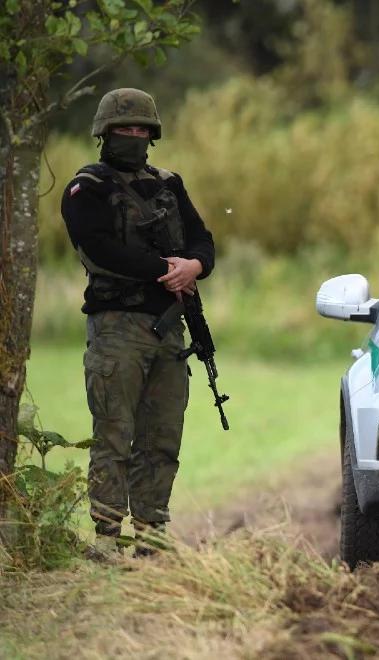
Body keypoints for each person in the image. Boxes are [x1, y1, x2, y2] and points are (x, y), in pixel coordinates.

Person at [60, 88, 216, 559]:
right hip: (117, 328)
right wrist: (165, 269)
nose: (134, 136)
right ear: (105, 133)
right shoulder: (88, 187)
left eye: (141, 130)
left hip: (170, 330)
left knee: (161, 437)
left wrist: (195, 267)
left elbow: (202, 239)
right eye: (124, 129)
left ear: (153, 135)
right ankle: (107, 539)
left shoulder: (168, 183)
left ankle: (151, 537)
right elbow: (97, 247)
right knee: (114, 434)